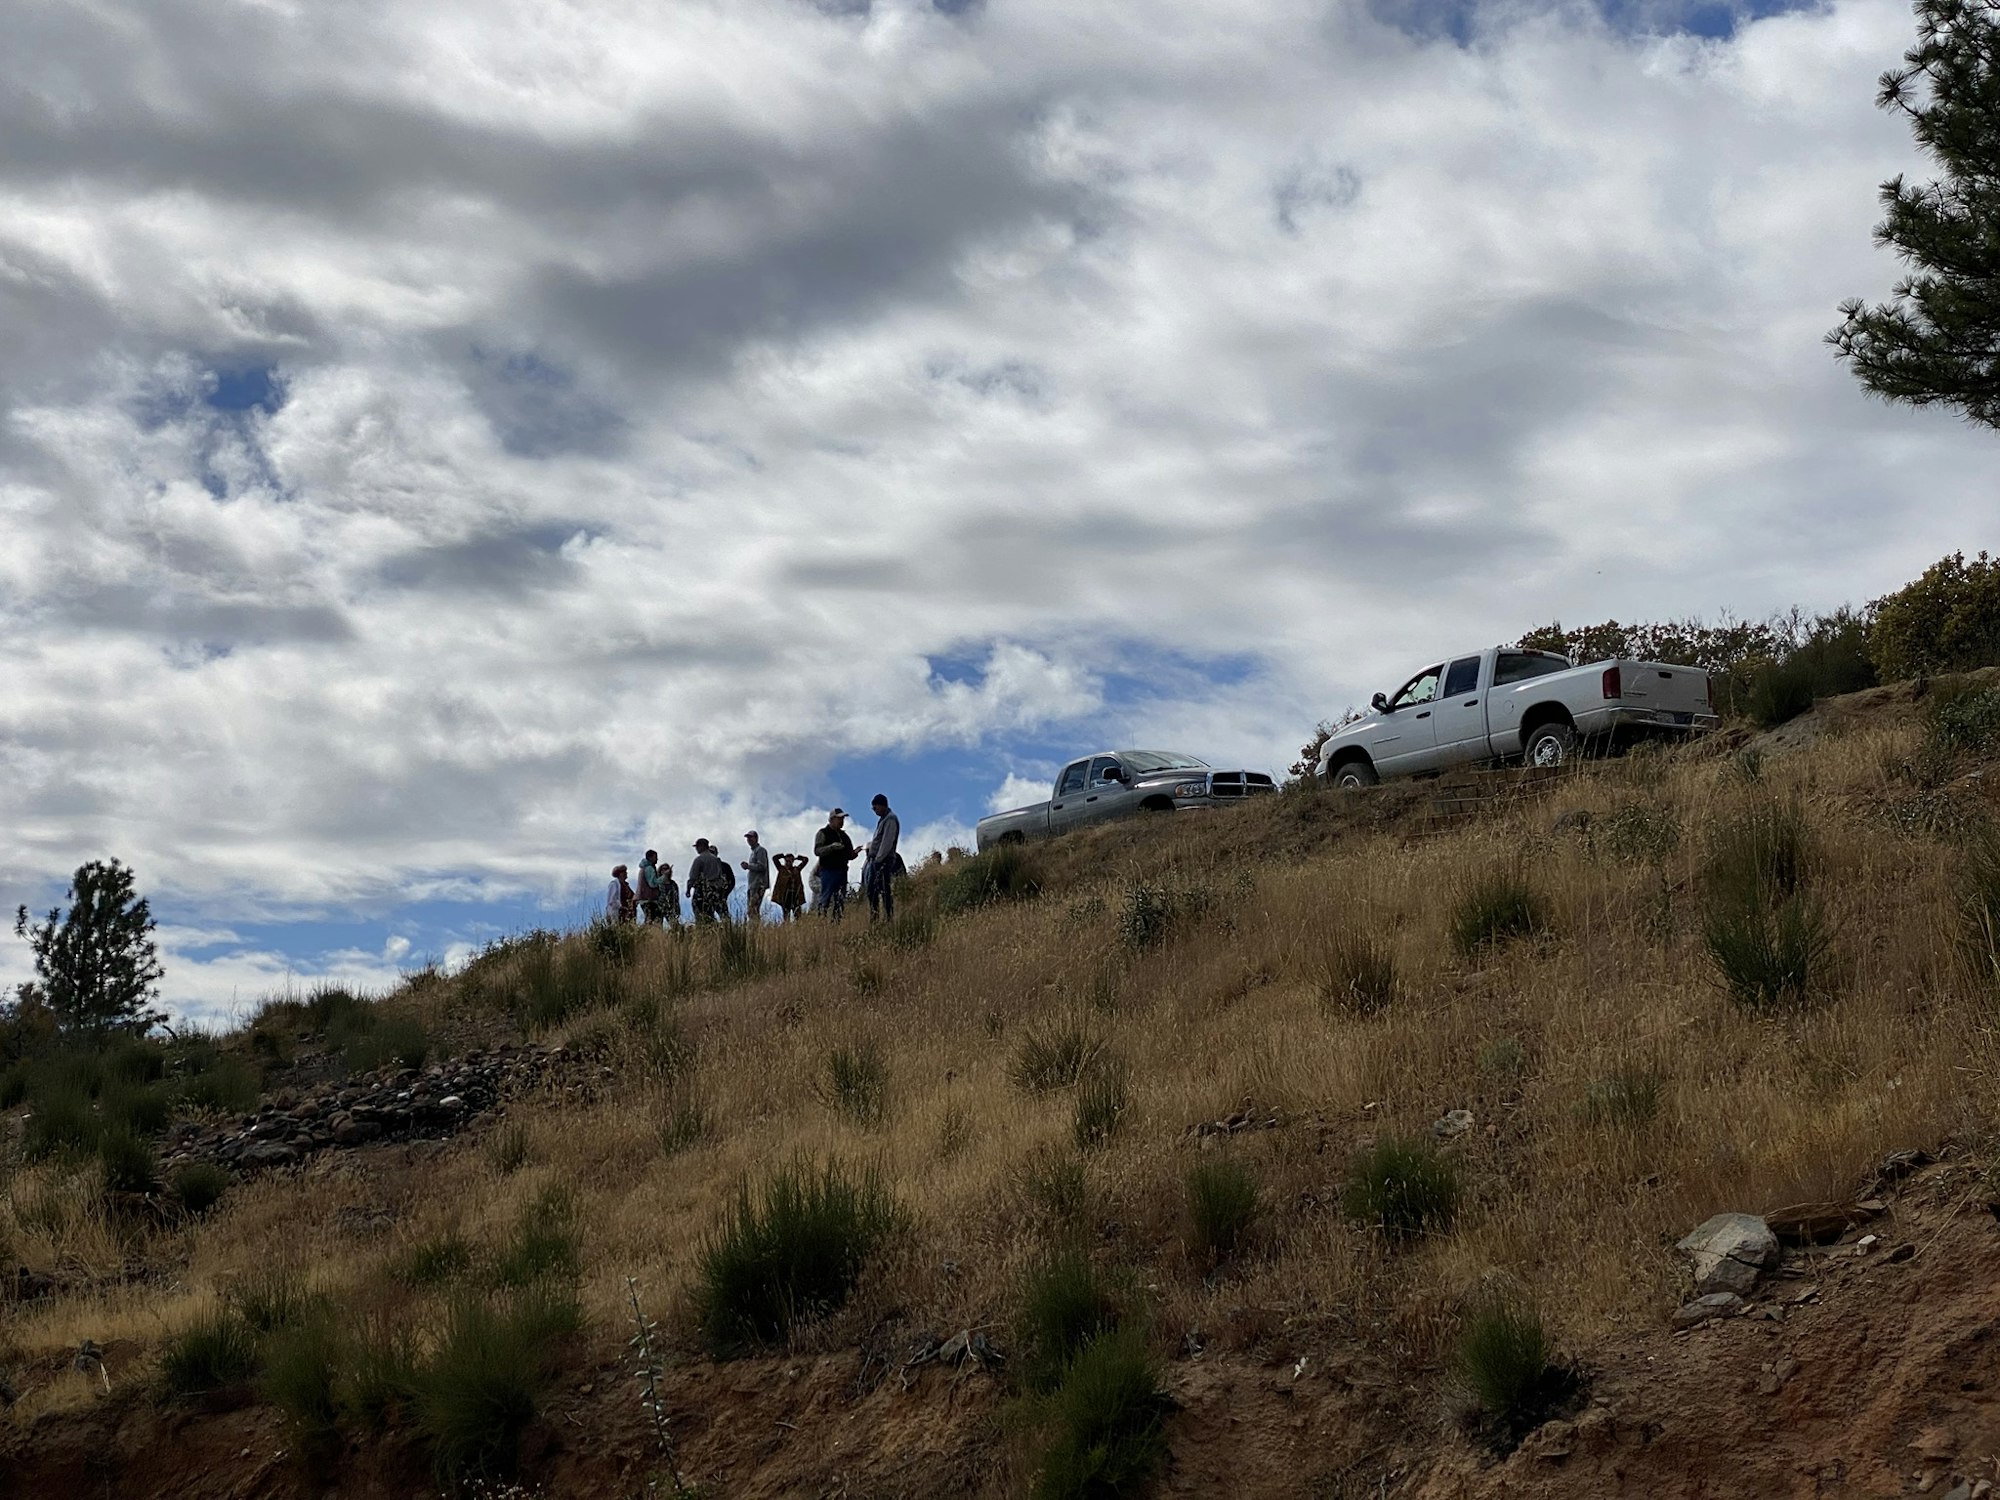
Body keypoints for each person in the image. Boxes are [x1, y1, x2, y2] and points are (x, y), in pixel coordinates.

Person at [860, 793, 901, 922]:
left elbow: (887, 842)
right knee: (872, 891)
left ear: (882, 805)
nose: (874, 810)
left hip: (883, 861)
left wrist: (878, 859)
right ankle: (875, 917)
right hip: (877, 860)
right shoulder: (883, 819)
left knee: (884, 890)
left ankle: (887, 918)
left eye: (875, 808)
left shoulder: (890, 819)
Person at [813, 808, 856, 919]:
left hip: (842, 871)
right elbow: (817, 851)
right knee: (825, 897)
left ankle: (836, 922)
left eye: (842, 819)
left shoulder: (845, 836)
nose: (841, 821)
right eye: (839, 819)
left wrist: (855, 853)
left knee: (840, 899)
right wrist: (831, 847)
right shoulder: (822, 833)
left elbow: (849, 855)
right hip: (828, 871)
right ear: (831, 819)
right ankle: (821, 920)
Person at [687, 839, 734, 923]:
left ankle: (706, 931)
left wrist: (688, 890)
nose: (696, 849)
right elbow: (721, 877)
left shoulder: (699, 859)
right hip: (716, 891)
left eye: (697, 846)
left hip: (702, 891)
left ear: (702, 846)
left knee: (700, 914)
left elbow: (693, 877)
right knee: (716, 914)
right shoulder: (716, 860)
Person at [740, 831, 771, 922]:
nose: (749, 840)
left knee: (753, 909)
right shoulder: (753, 852)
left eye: (751, 837)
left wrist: (748, 866)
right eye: (748, 838)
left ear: (756, 838)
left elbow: (762, 866)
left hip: (758, 884)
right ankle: (754, 929)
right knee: (752, 910)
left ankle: (756, 929)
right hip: (753, 884)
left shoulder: (760, 850)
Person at [771, 853, 809, 922]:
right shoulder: (781, 869)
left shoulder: (796, 869)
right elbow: (774, 858)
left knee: (798, 915)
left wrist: (798, 858)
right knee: (786, 915)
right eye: (787, 860)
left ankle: (798, 927)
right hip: (785, 895)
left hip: (795, 895)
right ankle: (787, 927)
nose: (789, 862)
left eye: (791, 860)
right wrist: (782, 856)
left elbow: (806, 860)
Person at [636, 849, 667, 925]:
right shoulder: (649, 868)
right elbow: (653, 883)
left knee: (649, 920)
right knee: (653, 920)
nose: (657, 859)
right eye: (655, 857)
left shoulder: (643, 868)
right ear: (650, 858)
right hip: (649, 899)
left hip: (644, 899)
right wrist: (664, 877)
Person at [655, 860, 683, 926]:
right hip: (660, 906)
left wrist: (677, 909)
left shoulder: (673, 884)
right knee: (658, 925)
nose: (665, 870)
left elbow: (676, 897)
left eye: (667, 868)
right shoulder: (658, 883)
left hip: (671, 907)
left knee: (675, 925)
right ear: (660, 871)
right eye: (663, 869)